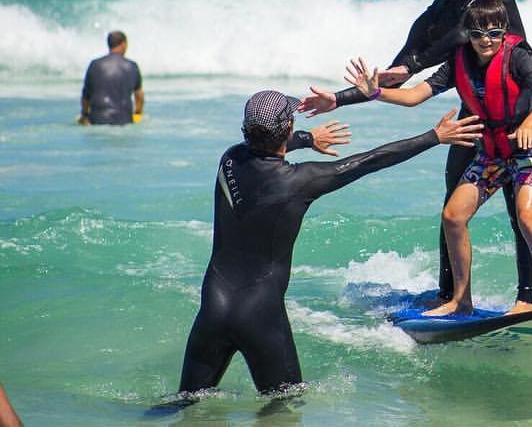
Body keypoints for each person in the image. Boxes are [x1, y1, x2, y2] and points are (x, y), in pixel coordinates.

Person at [176, 90, 481, 400]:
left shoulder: (229, 158)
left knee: (183, 406)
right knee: (285, 407)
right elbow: (369, 161)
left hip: (213, 307)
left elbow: (260, 146)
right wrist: (434, 136)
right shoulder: (299, 180)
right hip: (260, 314)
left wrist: (307, 139)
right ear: (288, 127)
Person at [299, 0, 532, 314]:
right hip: (474, 117)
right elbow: (391, 80)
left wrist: (413, 64)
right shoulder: (430, 20)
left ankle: (525, 300)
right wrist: (338, 100)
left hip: (518, 116)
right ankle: (452, 295)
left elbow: (467, 30)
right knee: (452, 208)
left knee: (519, 211)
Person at [343, 0, 532, 316]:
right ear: (467, 35)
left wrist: (529, 123)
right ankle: (461, 300)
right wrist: (375, 92)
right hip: (493, 153)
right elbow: (414, 95)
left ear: (504, 32)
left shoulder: (516, 58)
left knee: (527, 216)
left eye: (494, 33)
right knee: (453, 216)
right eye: (477, 34)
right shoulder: (459, 61)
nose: (486, 41)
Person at [79, 30, 144, 125]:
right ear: (123, 44)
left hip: (98, 119)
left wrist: (84, 115)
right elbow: (139, 96)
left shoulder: (94, 65)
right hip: (124, 120)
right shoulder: (132, 66)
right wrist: (138, 113)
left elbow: (85, 96)